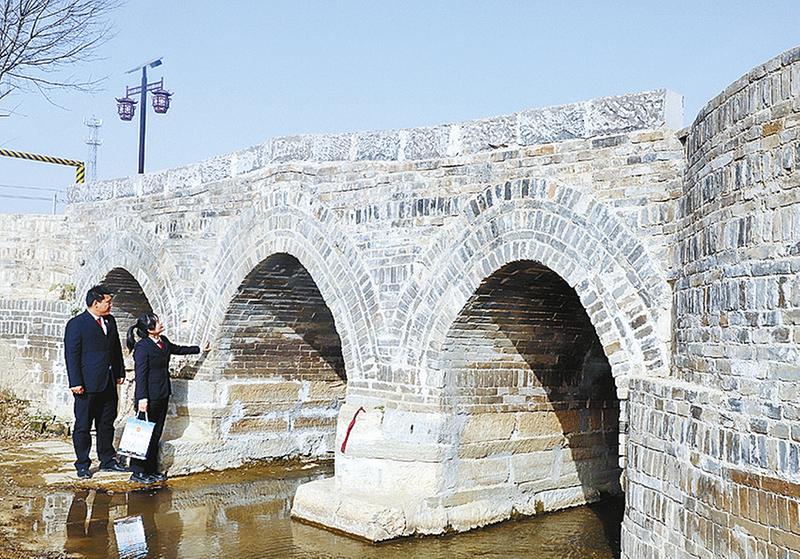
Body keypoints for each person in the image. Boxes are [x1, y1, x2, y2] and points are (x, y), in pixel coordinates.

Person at [126, 313, 210, 484]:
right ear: (150, 329)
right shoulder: (142, 347)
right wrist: (142, 398)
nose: (161, 323)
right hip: (148, 397)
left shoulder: (163, 341)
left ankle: (151, 470)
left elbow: (178, 349)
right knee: (143, 434)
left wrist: (199, 349)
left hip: (162, 394)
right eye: (157, 322)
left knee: (156, 433)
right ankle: (138, 471)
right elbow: (141, 375)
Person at [64, 285, 127, 479]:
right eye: (108, 301)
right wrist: (75, 381)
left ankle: (107, 460)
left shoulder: (110, 321)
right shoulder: (77, 324)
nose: (111, 304)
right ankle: (83, 464)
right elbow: (72, 355)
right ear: (95, 303)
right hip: (87, 383)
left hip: (108, 380)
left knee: (106, 422)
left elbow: (115, 348)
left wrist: (120, 371)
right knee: (83, 425)